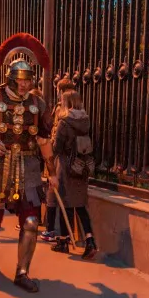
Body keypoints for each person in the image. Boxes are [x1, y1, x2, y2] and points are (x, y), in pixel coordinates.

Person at [0, 32, 58, 293]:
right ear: (10, 79)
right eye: (20, 81)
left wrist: (52, 172)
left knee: (30, 222)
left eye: (28, 80)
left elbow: (43, 140)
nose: (25, 86)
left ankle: (22, 272)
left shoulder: (38, 103)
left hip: (28, 168)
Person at [50, 89, 98, 259]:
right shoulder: (85, 121)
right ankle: (90, 240)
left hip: (66, 167)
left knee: (66, 205)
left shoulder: (64, 122)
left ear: (66, 102)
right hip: (81, 167)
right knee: (80, 205)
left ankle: (63, 242)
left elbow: (56, 148)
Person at [40, 78, 78, 242]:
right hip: (71, 158)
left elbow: (55, 133)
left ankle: (55, 231)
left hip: (57, 158)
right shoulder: (78, 110)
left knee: (54, 193)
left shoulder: (61, 110)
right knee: (62, 195)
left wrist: (49, 149)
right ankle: (62, 232)